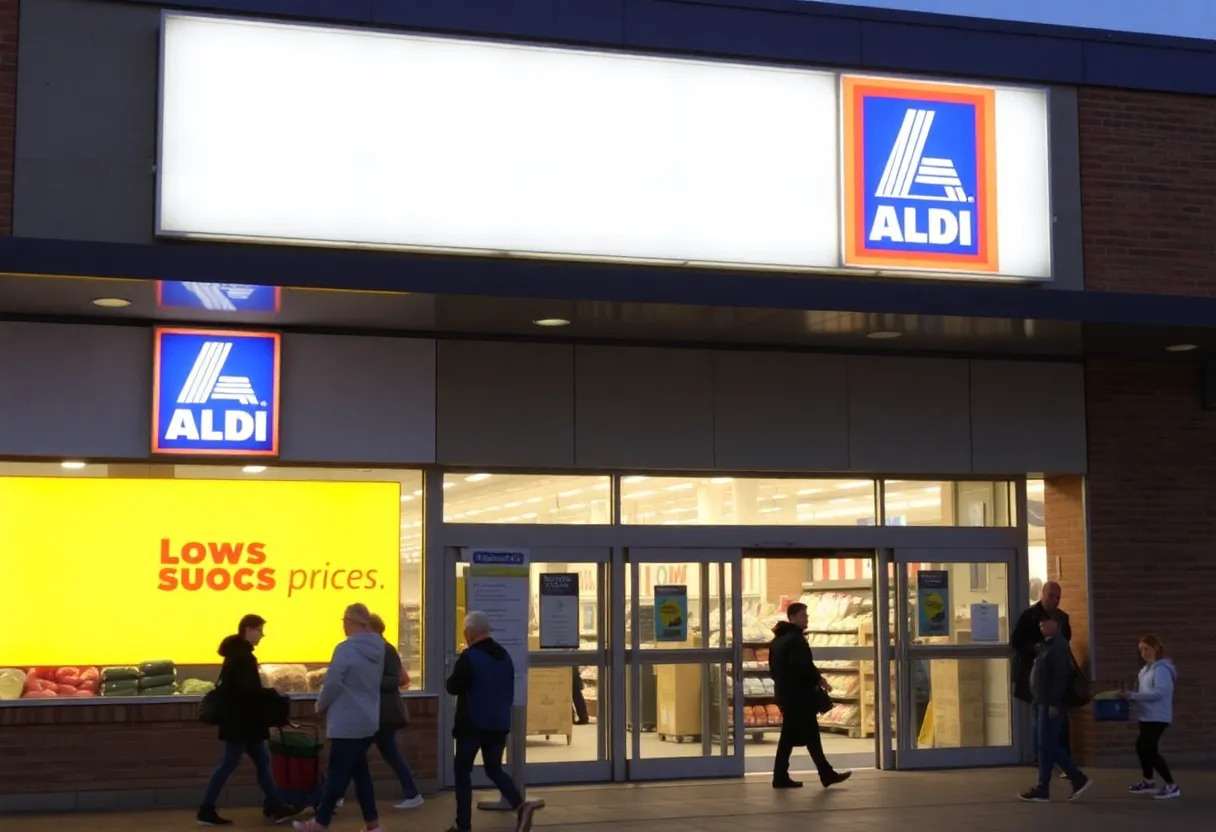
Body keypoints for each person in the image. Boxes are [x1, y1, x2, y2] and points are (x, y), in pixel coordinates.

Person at [197, 614, 302, 827]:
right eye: (260, 629)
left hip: (243, 722)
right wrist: (272, 692)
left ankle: (276, 806)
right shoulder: (243, 657)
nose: (262, 635)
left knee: (263, 762)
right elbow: (247, 691)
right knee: (229, 764)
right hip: (242, 722)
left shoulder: (235, 654)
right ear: (248, 629)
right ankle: (206, 809)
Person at [446, 611, 543, 832]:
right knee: (494, 769)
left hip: (472, 724)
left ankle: (463, 826)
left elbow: (452, 686)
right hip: (499, 723)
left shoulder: (469, 657)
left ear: (469, 632)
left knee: (462, 772)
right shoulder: (505, 656)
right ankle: (520, 805)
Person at [294, 603, 386, 832]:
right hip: (367, 720)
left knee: (337, 773)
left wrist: (320, 705)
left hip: (346, 720)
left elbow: (333, 682)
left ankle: (320, 823)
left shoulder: (346, 649)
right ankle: (372, 824)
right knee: (360, 773)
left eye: (344, 620)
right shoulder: (379, 647)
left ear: (353, 622)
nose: (343, 624)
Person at [768, 602, 851, 790]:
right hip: (799, 698)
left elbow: (774, 671)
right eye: (804, 615)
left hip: (787, 696)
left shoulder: (778, 640)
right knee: (803, 737)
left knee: (799, 737)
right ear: (793, 618)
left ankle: (818, 773)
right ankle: (821, 774)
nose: (807, 618)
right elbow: (803, 667)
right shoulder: (796, 640)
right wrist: (816, 682)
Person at [1018, 617, 1091, 803]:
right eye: (1040, 623)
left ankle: (1074, 778)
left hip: (1049, 703)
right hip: (1039, 701)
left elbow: (1059, 677)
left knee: (1047, 744)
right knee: (1042, 745)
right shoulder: (1047, 645)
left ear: (1056, 625)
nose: (1041, 625)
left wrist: (1053, 702)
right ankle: (1047, 787)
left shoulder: (1059, 646)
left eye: (1046, 623)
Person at [1011, 581, 1073, 766]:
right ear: (1042, 594)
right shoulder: (1029, 616)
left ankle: (1056, 760)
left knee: (1055, 722)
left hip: (1053, 676)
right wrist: (1035, 649)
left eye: (1058, 597)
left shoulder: (1062, 618)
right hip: (1034, 675)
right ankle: (1042, 758)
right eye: (1051, 596)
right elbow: (1016, 641)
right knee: (1039, 719)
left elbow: (1066, 641)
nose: (1054, 600)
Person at [370, 612, 425, 810]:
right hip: (375, 711)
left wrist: (368, 682)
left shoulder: (386, 650)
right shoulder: (376, 649)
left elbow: (393, 679)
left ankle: (413, 793)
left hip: (383, 713)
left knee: (355, 753)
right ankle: (412, 793)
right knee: (385, 752)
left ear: (374, 629)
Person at [1120, 634, 1180, 799]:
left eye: (1147, 648)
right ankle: (1148, 780)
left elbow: (1159, 694)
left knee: (1150, 750)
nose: (1144, 653)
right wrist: (1132, 698)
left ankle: (1171, 785)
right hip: (1147, 716)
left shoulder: (1162, 670)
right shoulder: (1145, 670)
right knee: (1141, 747)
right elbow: (1143, 693)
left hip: (1158, 716)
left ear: (1156, 648)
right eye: (1141, 650)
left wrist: (1133, 696)